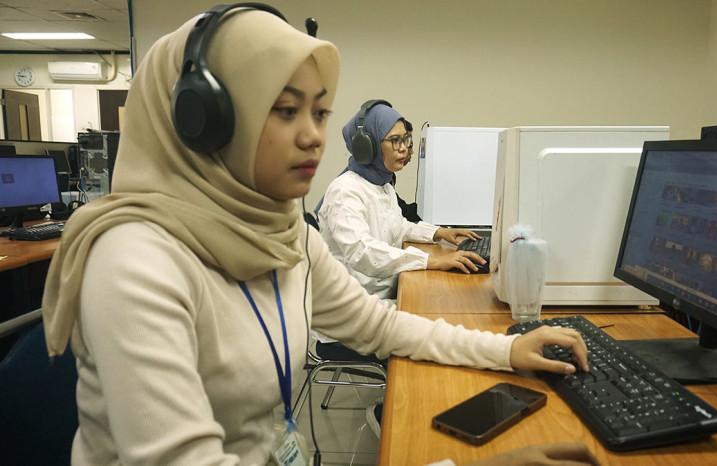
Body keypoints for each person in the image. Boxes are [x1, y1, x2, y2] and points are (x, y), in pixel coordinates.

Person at [40, 6, 596, 466]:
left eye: (321, 112)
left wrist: (507, 349)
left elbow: (379, 325)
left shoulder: (281, 235)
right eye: (285, 110)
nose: (313, 137)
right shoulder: (135, 261)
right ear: (202, 122)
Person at [316, 101, 487, 301]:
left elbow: (397, 227)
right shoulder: (344, 191)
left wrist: (439, 232)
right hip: (354, 306)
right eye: (395, 140)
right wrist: (432, 260)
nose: (404, 148)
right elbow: (362, 252)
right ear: (368, 147)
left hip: (382, 294)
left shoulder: (383, 185)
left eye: (405, 139)